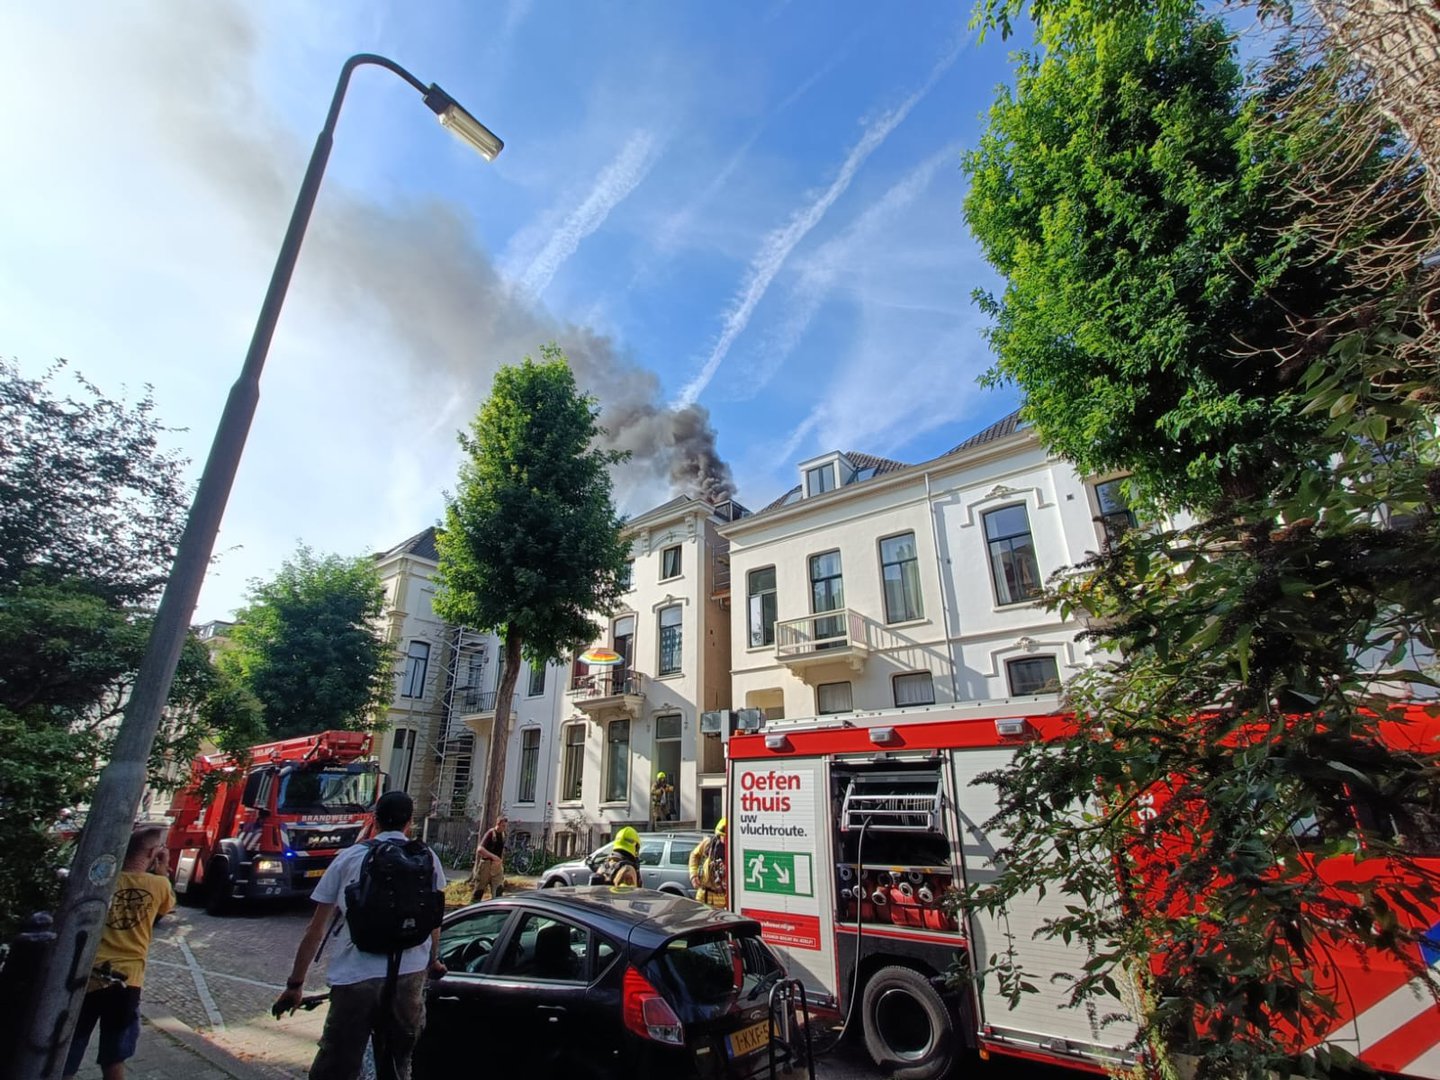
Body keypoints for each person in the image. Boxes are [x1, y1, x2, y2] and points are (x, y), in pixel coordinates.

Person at [273, 791, 446, 1080]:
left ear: (374, 820)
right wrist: (433, 962)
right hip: (409, 975)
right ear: (410, 823)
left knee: (338, 1062)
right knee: (400, 1060)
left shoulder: (350, 858)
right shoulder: (427, 857)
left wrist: (296, 984)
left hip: (356, 977)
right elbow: (434, 920)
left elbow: (315, 930)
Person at [63, 825, 176, 1080]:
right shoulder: (160, 885)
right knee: (114, 1057)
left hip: (88, 975)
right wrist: (162, 869)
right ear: (152, 853)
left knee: (70, 1047)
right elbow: (166, 909)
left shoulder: (106, 880)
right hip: (127, 982)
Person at [689, 818, 728, 908]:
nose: (725, 840)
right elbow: (694, 855)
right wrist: (693, 875)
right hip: (703, 894)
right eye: (723, 837)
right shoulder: (709, 843)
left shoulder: (732, 850)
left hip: (721, 898)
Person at [469, 815, 507, 901]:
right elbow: (480, 849)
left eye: (505, 826)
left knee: (498, 890)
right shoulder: (491, 833)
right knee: (479, 890)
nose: (504, 828)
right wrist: (493, 857)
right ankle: (473, 908)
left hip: (497, 867)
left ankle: (496, 909)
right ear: (498, 824)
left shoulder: (503, 835)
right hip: (486, 866)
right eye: (503, 826)